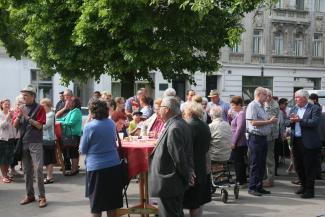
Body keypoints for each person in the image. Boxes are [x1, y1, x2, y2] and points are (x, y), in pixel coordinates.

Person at [149, 96, 194, 217]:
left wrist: (187, 175)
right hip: (171, 183)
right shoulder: (177, 124)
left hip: (170, 182)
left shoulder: (175, 127)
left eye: (160, 108)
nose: (158, 111)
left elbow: (179, 158)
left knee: (170, 213)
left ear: (167, 109)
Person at [80, 98, 123, 217]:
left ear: (92, 111)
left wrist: (86, 123)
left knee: (96, 205)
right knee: (112, 204)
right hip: (113, 165)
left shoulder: (90, 126)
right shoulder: (110, 123)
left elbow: (82, 149)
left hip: (96, 167)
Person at [13, 85, 47, 208]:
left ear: (32, 96)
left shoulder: (40, 108)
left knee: (38, 169)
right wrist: (18, 116)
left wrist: (27, 117)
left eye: (26, 95)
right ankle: (30, 195)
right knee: (27, 171)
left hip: (36, 142)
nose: (23, 97)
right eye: (23, 95)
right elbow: (15, 125)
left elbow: (39, 126)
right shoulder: (21, 108)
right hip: (24, 142)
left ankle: (42, 197)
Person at [285, 89, 322, 199]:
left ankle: (310, 190)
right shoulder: (294, 108)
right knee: (298, 166)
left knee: (309, 167)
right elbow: (286, 122)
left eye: (298, 97)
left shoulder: (314, 108)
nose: (295, 99)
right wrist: (291, 121)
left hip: (309, 142)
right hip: (296, 140)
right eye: (295, 97)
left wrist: (300, 120)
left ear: (305, 98)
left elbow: (314, 123)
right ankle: (303, 186)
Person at [246, 87, 277, 197]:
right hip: (255, 138)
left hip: (263, 138)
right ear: (258, 94)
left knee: (261, 163)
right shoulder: (252, 105)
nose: (267, 97)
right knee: (255, 163)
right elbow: (253, 122)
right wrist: (269, 121)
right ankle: (252, 187)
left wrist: (270, 119)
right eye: (265, 95)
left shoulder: (263, 106)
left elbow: (263, 120)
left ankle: (259, 186)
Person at [183, 102, 211, 217]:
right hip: (201, 166)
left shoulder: (188, 126)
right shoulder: (204, 125)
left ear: (188, 112)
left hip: (192, 167)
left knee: (192, 202)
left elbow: (185, 149)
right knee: (198, 202)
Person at [56, 97, 82, 176]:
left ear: (73, 103)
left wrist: (60, 123)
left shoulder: (76, 111)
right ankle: (74, 169)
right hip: (71, 135)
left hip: (74, 135)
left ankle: (74, 170)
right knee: (72, 152)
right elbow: (63, 119)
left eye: (68, 102)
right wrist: (58, 121)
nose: (66, 104)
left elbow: (70, 122)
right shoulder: (72, 111)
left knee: (73, 152)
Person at [229, 96, 248, 187]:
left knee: (239, 162)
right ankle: (240, 179)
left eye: (233, 105)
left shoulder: (241, 114)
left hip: (239, 142)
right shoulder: (238, 113)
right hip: (239, 142)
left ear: (239, 105)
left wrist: (234, 142)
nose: (232, 107)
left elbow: (239, 129)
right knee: (238, 162)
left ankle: (241, 181)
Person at [264, 89, 280, 187]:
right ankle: (265, 177)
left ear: (269, 96)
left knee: (269, 157)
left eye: (266, 96)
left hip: (270, 134)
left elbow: (269, 118)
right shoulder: (265, 103)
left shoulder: (274, 105)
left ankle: (270, 179)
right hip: (265, 133)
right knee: (264, 157)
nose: (265, 98)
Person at [55, 89, 74, 171]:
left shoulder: (74, 102)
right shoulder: (59, 103)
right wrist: (64, 109)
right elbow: (57, 114)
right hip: (61, 126)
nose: (64, 97)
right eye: (64, 96)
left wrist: (66, 108)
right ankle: (66, 164)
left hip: (69, 128)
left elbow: (74, 113)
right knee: (63, 147)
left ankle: (70, 165)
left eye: (66, 95)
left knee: (69, 148)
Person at [40, 98, 56, 184]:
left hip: (48, 139)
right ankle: (49, 177)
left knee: (48, 159)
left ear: (48, 106)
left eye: (43, 106)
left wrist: (36, 124)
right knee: (46, 159)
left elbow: (45, 126)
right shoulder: (45, 114)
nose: (42, 107)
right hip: (44, 139)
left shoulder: (50, 114)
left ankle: (50, 177)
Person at [0, 99, 16, 183]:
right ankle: (3, 176)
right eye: (5, 104)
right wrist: (8, 117)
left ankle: (6, 174)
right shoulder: (1, 114)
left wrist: (13, 117)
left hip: (11, 138)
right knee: (2, 159)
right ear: (1, 105)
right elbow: (2, 126)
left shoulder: (11, 114)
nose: (7, 105)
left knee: (8, 159)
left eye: (8, 104)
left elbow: (14, 126)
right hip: (2, 139)